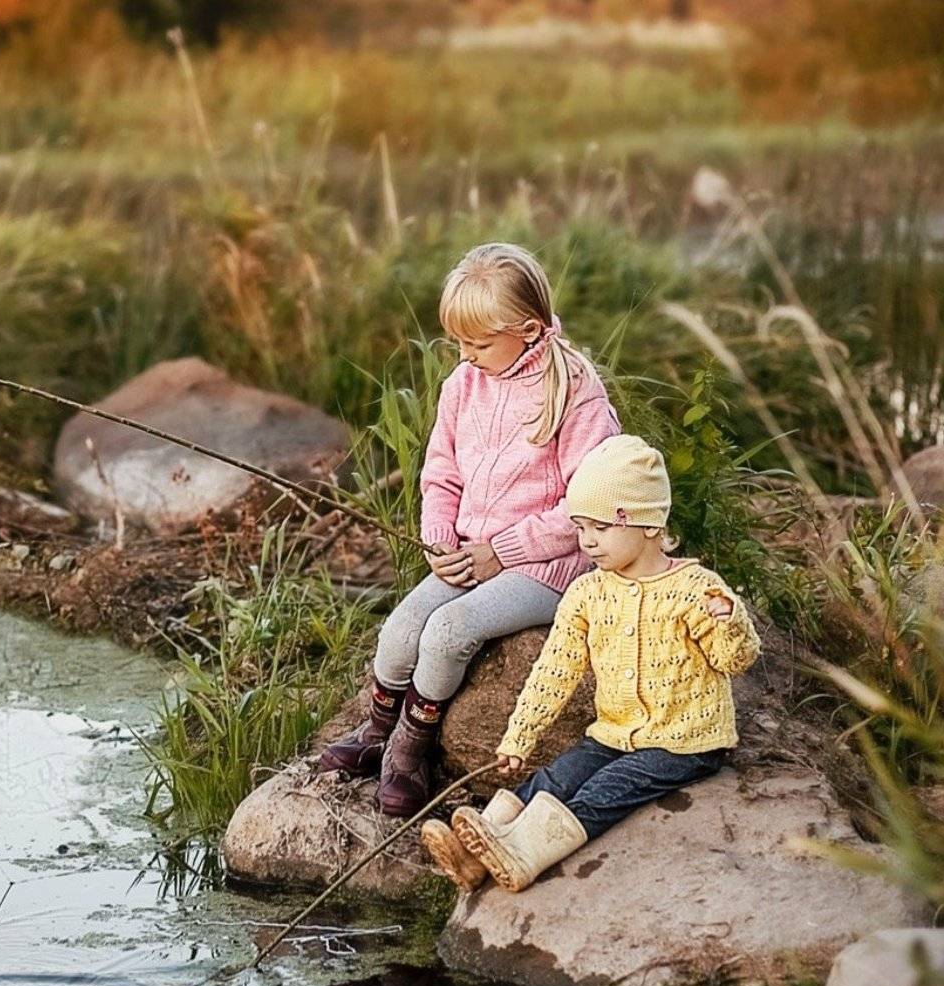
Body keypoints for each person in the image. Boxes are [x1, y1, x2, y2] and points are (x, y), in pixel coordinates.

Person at [318, 242, 620, 817]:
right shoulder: (463, 384)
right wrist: (439, 539)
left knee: (448, 631)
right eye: (458, 341)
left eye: (478, 344)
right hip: (469, 554)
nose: (465, 355)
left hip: (545, 565)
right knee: (402, 628)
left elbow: (587, 506)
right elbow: (441, 471)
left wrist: (500, 552)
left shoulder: (574, 391)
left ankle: (411, 752)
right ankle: (377, 731)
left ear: (528, 331)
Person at [421, 434, 761, 891]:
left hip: (684, 743)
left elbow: (733, 660)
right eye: (580, 528)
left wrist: (729, 621)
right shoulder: (587, 592)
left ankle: (523, 855)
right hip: (614, 733)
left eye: (600, 528)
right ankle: (478, 851)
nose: (588, 542)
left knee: (607, 789)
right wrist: (519, 737)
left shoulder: (694, 588)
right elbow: (554, 672)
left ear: (647, 524)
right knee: (557, 777)